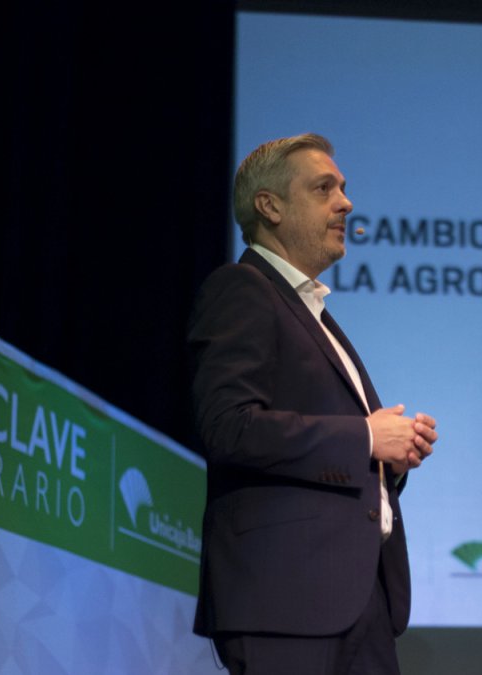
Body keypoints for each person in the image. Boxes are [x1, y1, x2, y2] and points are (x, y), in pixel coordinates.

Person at [187, 133, 438, 674]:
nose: (345, 203)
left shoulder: (316, 318)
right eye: (324, 188)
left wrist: (388, 459)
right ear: (270, 206)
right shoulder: (241, 289)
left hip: (356, 603)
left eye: (343, 189)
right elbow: (228, 426)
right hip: (288, 601)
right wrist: (367, 438)